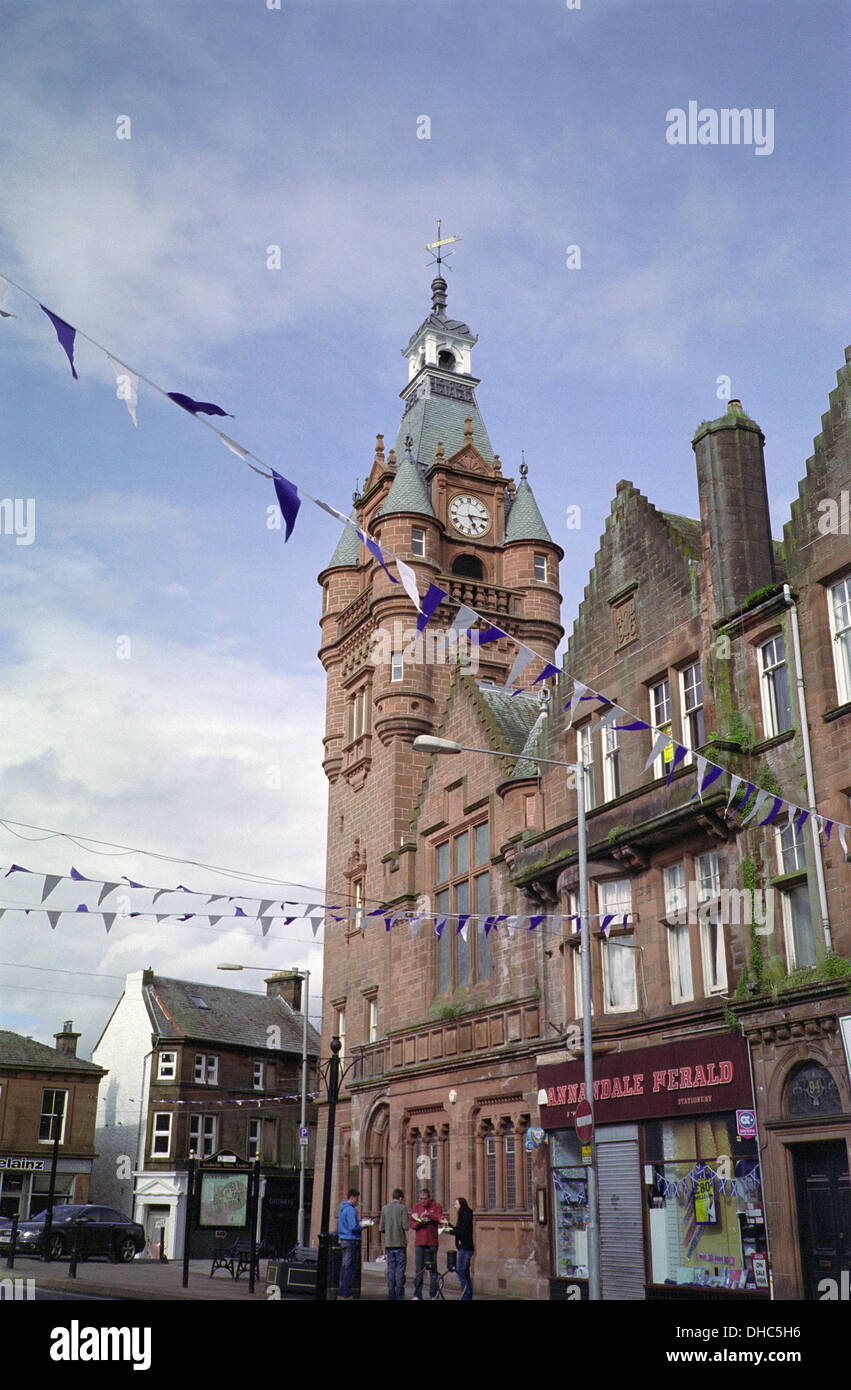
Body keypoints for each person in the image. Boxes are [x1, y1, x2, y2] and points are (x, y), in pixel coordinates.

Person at [409, 1186, 444, 1300]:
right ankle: (417, 1294)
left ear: (429, 1198)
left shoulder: (436, 1206)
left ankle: (433, 1294)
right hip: (420, 1242)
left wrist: (429, 1215)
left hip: (432, 1242)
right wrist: (420, 1222)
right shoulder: (416, 1207)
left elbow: (439, 1219)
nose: (422, 1201)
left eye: (424, 1199)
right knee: (419, 1269)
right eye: (420, 1198)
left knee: (433, 1269)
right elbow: (413, 1224)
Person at [378, 1188, 410, 1300]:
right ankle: (399, 1294)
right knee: (400, 1270)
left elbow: (381, 1227)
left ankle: (391, 1294)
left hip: (389, 1244)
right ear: (400, 1198)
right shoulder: (402, 1208)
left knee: (391, 1270)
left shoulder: (385, 1208)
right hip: (400, 1244)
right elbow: (406, 1226)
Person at [336, 1188, 362, 1300]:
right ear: (352, 1197)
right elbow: (353, 1227)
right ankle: (346, 1294)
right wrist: (363, 1226)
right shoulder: (351, 1210)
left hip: (344, 1240)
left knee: (344, 1268)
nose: (357, 1201)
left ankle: (341, 1294)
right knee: (349, 1269)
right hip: (351, 1240)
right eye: (357, 1198)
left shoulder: (342, 1209)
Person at [446, 1197, 474, 1300]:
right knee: (465, 1272)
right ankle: (468, 1294)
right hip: (463, 1248)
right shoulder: (462, 1216)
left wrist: (449, 1231)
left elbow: (462, 1232)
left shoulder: (466, 1216)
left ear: (461, 1205)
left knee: (460, 1271)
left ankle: (466, 1295)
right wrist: (447, 1225)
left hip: (466, 1248)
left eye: (456, 1204)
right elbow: (458, 1229)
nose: (454, 1206)